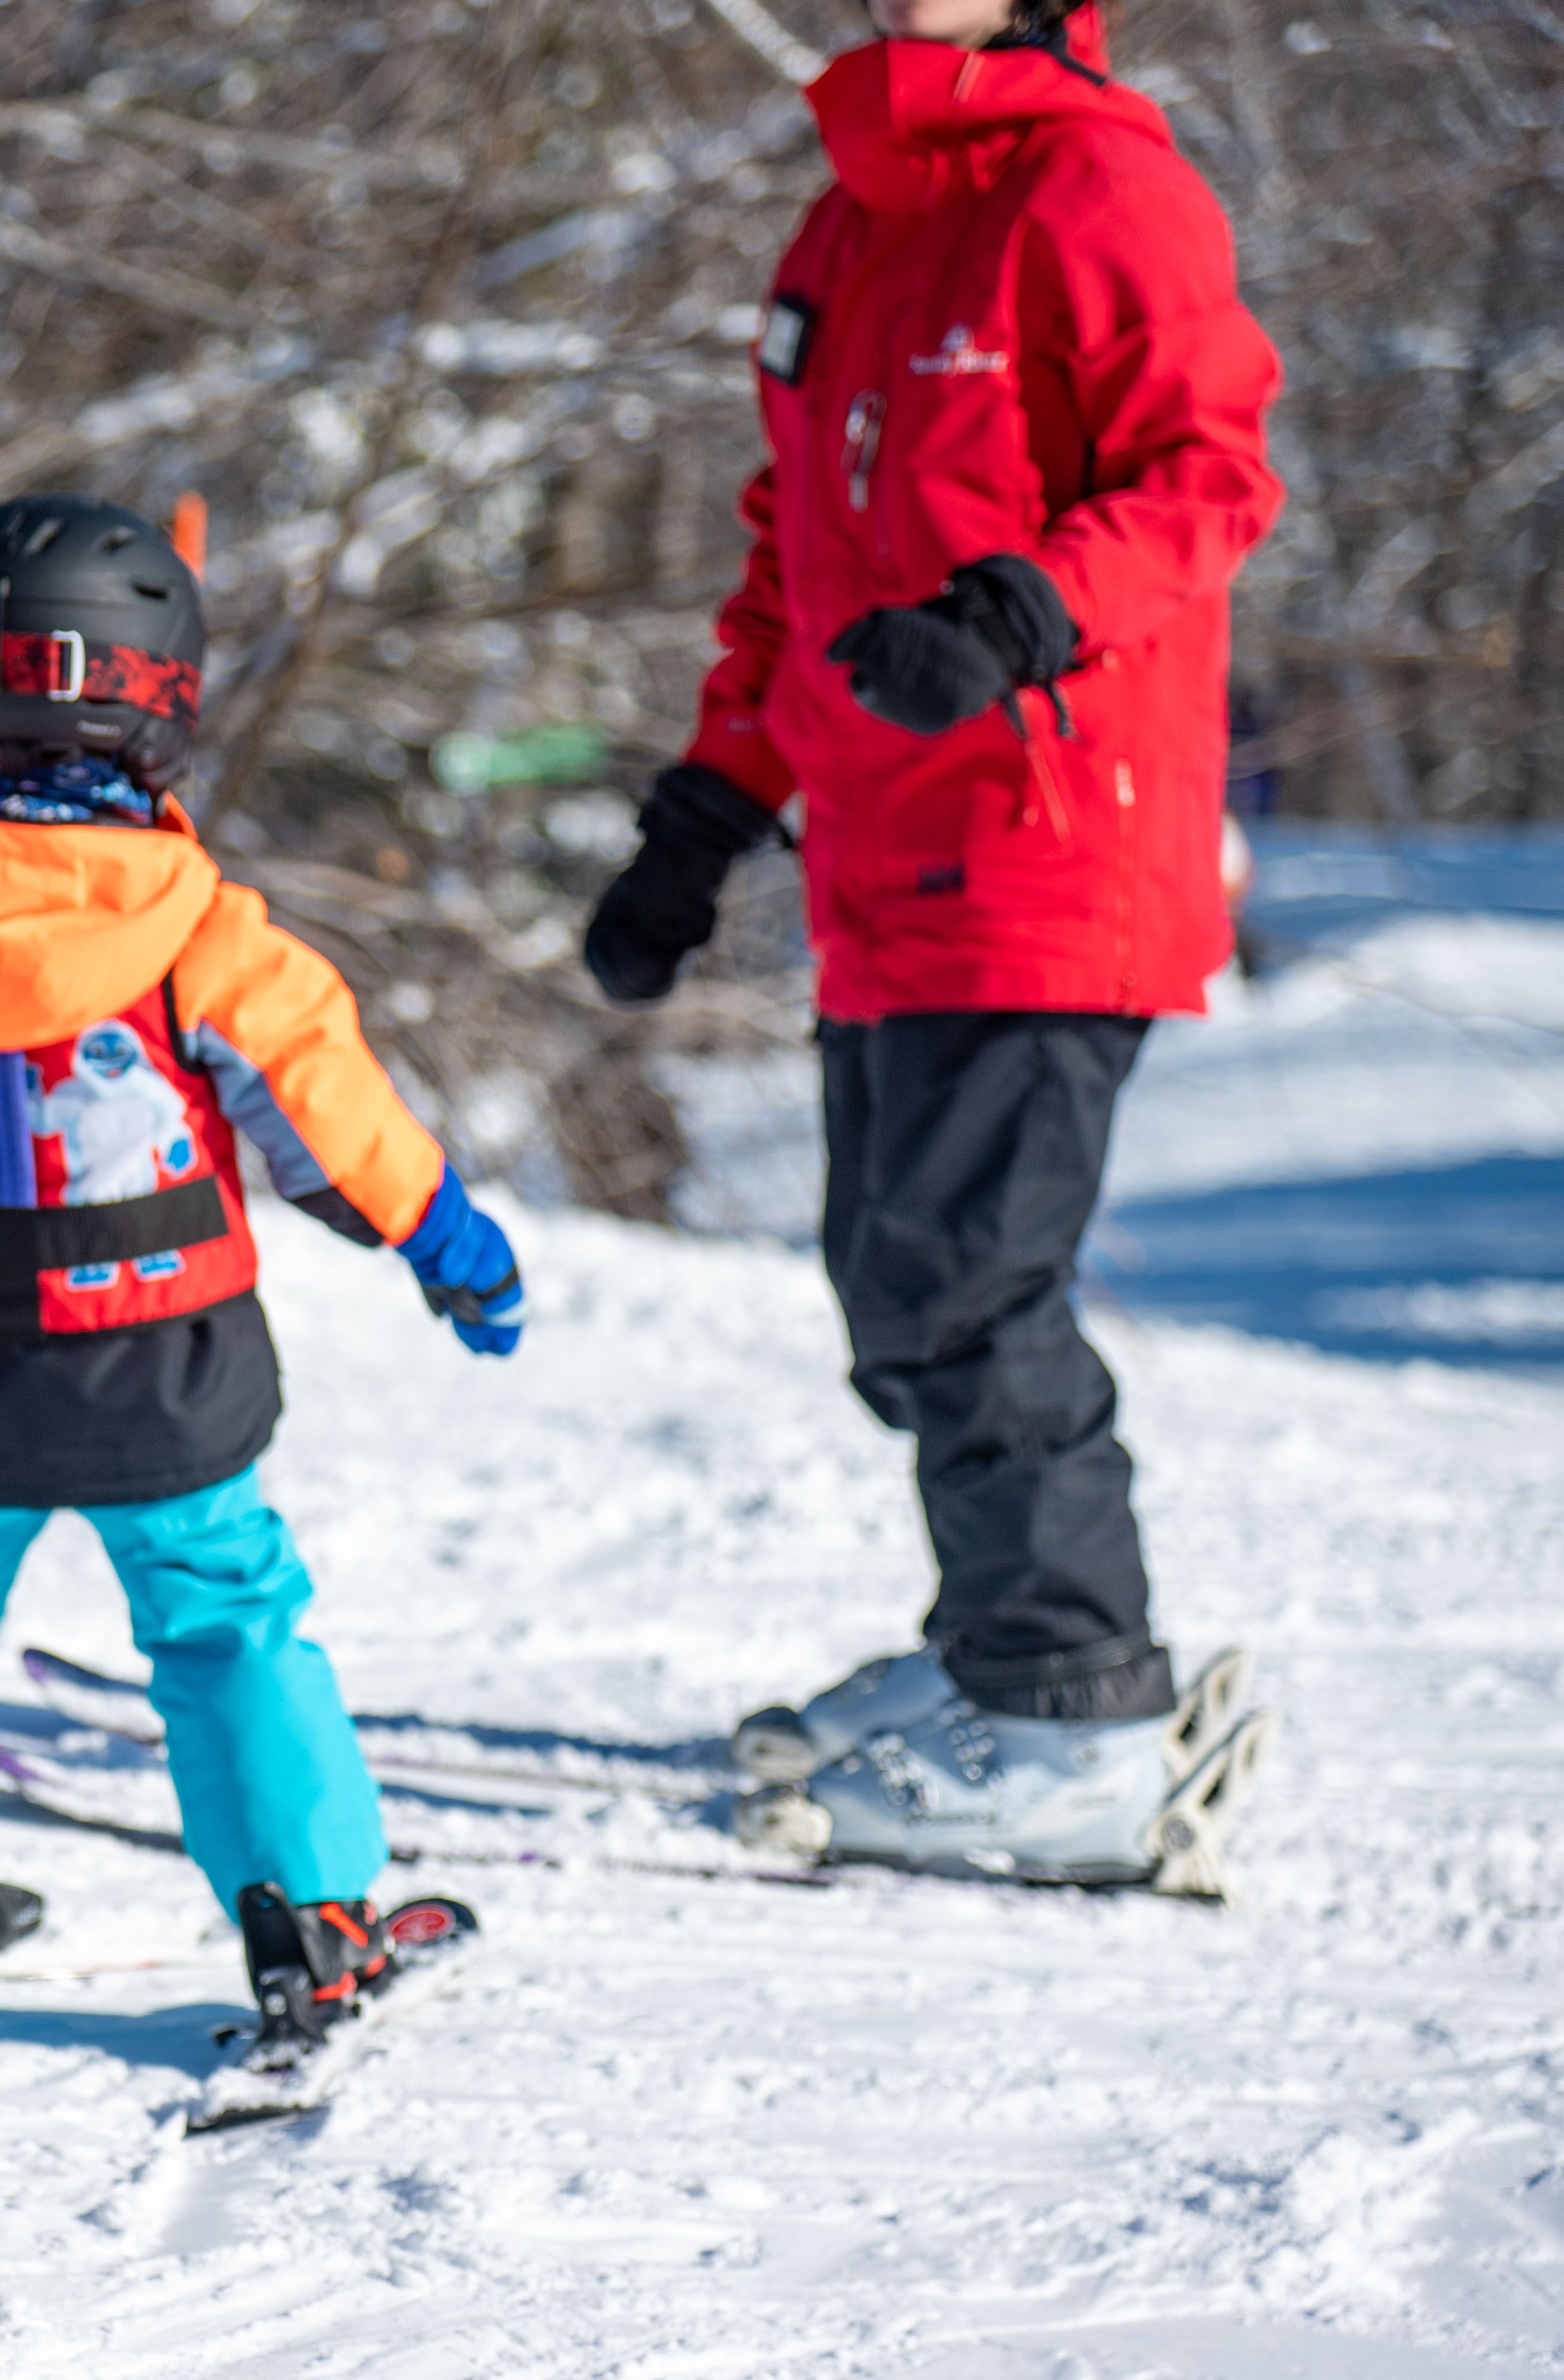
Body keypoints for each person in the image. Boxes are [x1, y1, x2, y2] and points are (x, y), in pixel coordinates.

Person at [579, 0, 1282, 1887]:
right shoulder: (854, 219)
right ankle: (998, 1648)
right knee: (892, 1286)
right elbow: (791, 565)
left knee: (970, 1282)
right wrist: (703, 818)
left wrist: (1017, 613)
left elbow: (1210, 475)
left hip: (1055, 845)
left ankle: (1075, 1717)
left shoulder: (1105, 188)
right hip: (882, 865)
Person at [0, 493, 518, 2063]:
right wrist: (446, 1241)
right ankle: (311, 1919)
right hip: (164, 1363)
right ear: (155, 699)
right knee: (224, 1614)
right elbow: (329, 1122)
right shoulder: (199, 933)